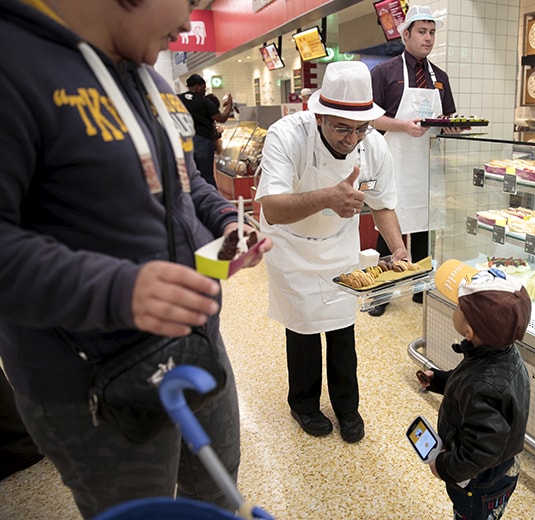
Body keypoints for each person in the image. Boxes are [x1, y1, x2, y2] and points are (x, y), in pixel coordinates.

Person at [0, 0, 272, 517]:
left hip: (194, 343)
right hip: (90, 381)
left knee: (214, 492)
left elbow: (185, 179)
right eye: (189, 1)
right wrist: (117, 289)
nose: (189, 22)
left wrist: (225, 222)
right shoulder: (14, 62)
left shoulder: (151, 79)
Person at [256, 61, 410, 443]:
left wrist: (399, 249)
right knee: (304, 325)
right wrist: (329, 196)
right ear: (319, 114)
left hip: (338, 241)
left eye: (360, 128)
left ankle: (347, 407)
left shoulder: (370, 143)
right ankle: (304, 403)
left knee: (342, 327)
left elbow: (383, 203)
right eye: (342, 127)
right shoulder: (287, 136)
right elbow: (272, 207)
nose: (351, 138)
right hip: (291, 243)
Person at [369, 4, 464, 316]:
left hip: (426, 164)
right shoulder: (384, 73)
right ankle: (381, 294)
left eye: (432, 32)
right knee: (389, 225)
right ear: (405, 34)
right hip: (394, 159)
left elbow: (446, 117)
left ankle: (420, 289)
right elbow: (372, 119)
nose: (428, 38)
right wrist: (402, 126)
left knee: (423, 226)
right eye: (422, 32)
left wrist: (452, 125)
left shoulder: (441, 77)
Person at [417, 263, 532, 520]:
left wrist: (444, 467)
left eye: (459, 306)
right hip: (497, 468)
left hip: (480, 481)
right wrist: (439, 381)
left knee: (471, 515)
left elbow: (482, 451)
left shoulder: (484, 382)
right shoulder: (500, 354)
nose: (455, 308)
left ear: (469, 330)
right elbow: (467, 386)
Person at [178, 73, 233, 187]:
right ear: (198, 86)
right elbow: (221, 118)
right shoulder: (203, 101)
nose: (204, 91)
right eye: (204, 87)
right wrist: (229, 105)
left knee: (188, 174)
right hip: (202, 141)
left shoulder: (177, 99)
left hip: (183, 141)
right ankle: (211, 201)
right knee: (206, 175)